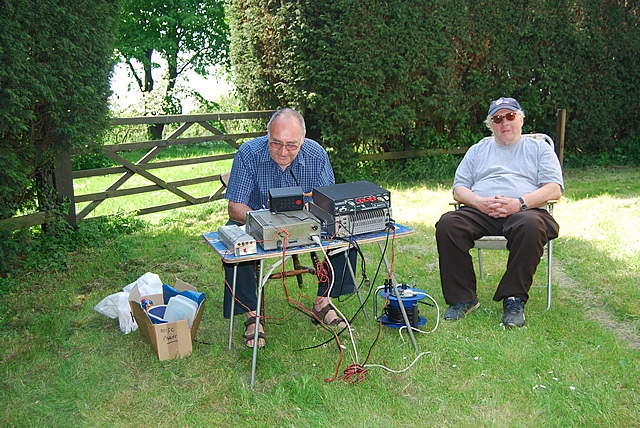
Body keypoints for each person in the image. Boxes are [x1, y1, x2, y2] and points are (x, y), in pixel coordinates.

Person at [223, 107, 355, 347]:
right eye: (276, 143)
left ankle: (323, 301)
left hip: (305, 223)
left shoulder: (316, 154)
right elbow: (235, 208)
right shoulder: (248, 153)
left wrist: (308, 217)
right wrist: (264, 222)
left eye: (291, 145)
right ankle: (252, 315)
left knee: (345, 234)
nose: (283, 152)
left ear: (302, 139)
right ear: (268, 136)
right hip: (256, 223)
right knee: (236, 243)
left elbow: (327, 202)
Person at [435, 97, 564, 327]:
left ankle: (514, 299)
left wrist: (519, 203)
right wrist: (479, 202)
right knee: (448, 224)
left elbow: (554, 188)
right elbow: (459, 188)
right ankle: (463, 299)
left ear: (521, 119)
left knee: (531, 226)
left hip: (525, 211)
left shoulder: (539, 149)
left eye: (510, 116)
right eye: (497, 118)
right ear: (491, 125)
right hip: (482, 211)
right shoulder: (478, 150)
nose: (504, 122)